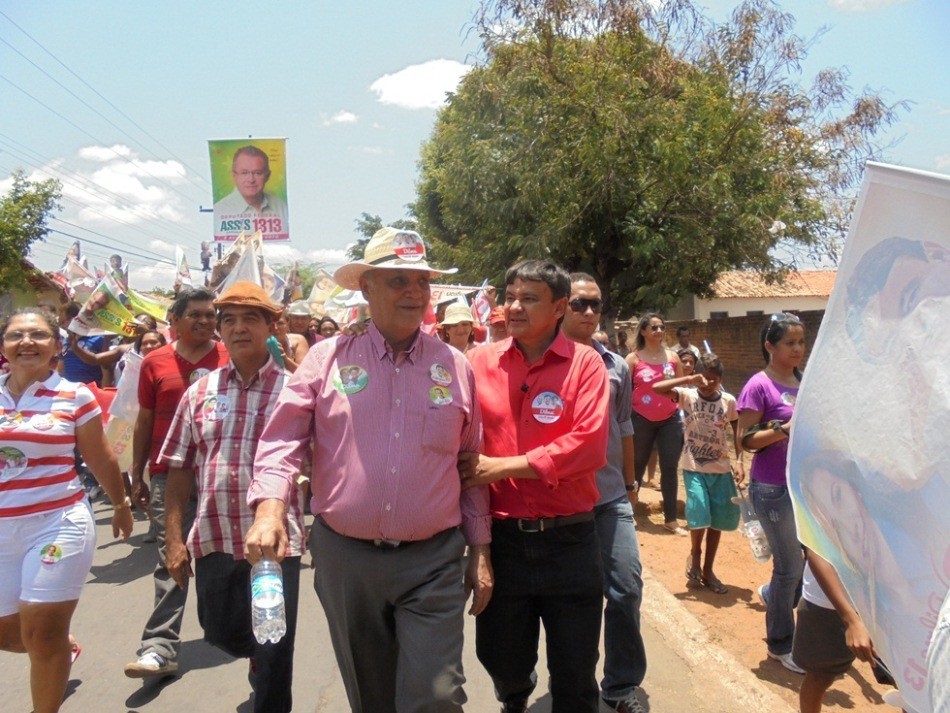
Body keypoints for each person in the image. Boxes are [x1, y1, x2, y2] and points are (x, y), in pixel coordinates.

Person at [244, 226, 490, 713]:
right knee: (372, 697)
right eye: (398, 280)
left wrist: (480, 549)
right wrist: (270, 510)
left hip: (433, 560)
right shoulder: (325, 359)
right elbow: (281, 439)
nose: (414, 292)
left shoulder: (455, 367)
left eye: (421, 281)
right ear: (367, 287)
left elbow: (470, 465)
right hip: (346, 562)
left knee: (437, 695)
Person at [462, 259, 609, 713]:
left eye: (529, 298)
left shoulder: (586, 365)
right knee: (501, 657)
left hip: (571, 539)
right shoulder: (476, 364)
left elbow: (587, 446)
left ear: (560, 307)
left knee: (575, 669)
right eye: (511, 296)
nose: (515, 307)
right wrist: (478, 548)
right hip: (504, 542)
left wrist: (505, 467)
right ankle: (514, 699)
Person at [159, 283, 304, 713]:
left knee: (274, 643)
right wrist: (172, 540)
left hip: (275, 547)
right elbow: (179, 469)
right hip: (214, 538)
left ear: (270, 328)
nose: (239, 328)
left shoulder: (297, 391)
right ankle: (257, 659)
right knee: (219, 632)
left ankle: (269, 691)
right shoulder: (199, 393)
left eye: (250, 319)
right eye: (229, 320)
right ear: (220, 330)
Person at [0, 307, 132, 713]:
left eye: (38, 335)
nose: (26, 342)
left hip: (57, 522)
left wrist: (121, 503)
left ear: (56, 346)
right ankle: (62, 645)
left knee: (40, 635)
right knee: (11, 634)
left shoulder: (73, 394)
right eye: (16, 335)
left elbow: (100, 456)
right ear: (3, 346)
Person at [124, 287, 230, 678]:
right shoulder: (153, 362)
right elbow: (145, 420)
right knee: (171, 554)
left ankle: (239, 632)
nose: (205, 321)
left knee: (226, 556)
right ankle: (159, 647)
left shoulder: (230, 357)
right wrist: (137, 473)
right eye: (195, 315)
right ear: (175, 321)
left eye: (210, 315)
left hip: (221, 471)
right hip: (169, 476)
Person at [560, 273, 647, 713]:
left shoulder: (616, 365)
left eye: (595, 304)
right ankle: (569, 686)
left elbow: (624, 427)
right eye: (579, 304)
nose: (590, 312)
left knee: (626, 589)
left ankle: (619, 685)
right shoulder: (544, 361)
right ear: (560, 306)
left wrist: (631, 486)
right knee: (572, 603)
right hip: (560, 505)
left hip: (610, 498)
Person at [736, 312, 807, 674]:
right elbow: (744, 440)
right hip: (771, 487)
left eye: (800, 342)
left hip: (802, 487)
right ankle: (780, 644)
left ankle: (772, 596)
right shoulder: (759, 386)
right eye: (789, 343)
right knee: (790, 566)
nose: (798, 349)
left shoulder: (804, 382)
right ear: (770, 346)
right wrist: (784, 429)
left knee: (806, 562)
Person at [653, 353, 742, 594]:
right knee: (699, 512)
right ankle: (695, 553)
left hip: (721, 470)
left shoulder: (729, 401)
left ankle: (707, 569)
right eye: (705, 378)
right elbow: (656, 388)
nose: (709, 384)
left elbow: (737, 431)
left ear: (721, 379)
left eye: (715, 380)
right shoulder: (688, 396)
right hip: (694, 467)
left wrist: (741, 460)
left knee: (717, 521)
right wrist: (689, 379)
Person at [793, 550, 877, 713]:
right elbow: (816, 553)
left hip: (886, 603)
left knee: (907, 689)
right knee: (821, 676)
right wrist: (851, 620)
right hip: (830, 604)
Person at [626, 313, 686, 534]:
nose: (659, 331)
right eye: (653, 327)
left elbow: (681, 388)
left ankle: (671, 519)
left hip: (670, 419)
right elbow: (624, 392)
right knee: (637, 465)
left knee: (670, 467)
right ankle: (628, 513)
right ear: (643, 331)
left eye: (661, 327)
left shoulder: (673, 357)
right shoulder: (633, 359)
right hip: (640, 419)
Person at [213, 145, 289, 220]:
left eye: (257, 173)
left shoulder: (281, 206)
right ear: (234, 176)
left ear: (267, 176)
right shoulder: (219, 211)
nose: (251, 180)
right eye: (244, 173)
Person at [59, 302, 106, 386]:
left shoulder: (99, 339)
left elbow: (106, 369)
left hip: (92, 392)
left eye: (63, 321)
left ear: (75, 319)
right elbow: (61, 369)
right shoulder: (65, 341)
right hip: (70, 392)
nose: (62, 325)